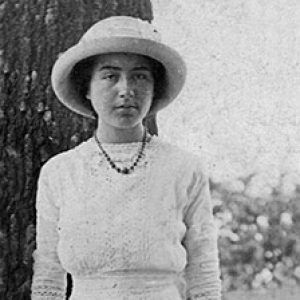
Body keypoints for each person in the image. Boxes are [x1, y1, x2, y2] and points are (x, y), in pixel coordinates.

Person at [31, 16, 222, 300]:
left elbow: (204, 272)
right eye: (110, 76)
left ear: (155, 87)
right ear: (87, 88)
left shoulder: (183, 168)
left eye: (140, 76)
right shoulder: (60, 172)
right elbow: (48, 273)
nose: (126, 90)